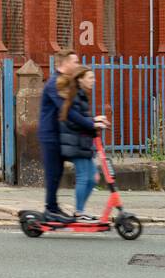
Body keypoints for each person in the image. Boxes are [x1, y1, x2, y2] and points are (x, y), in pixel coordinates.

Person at [57, 65, 110, 222]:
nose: (94, 81)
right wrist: (94, 121)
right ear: (80, 79)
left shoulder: (82, 95)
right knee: (83, 177)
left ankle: (80, 211)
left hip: (83, 143)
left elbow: (83, 119)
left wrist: (95, 120)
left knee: (93, 178)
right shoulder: (74, 96)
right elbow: (73, 121)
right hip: (74, 143)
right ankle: (79, 212)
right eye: (90, 78)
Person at [37, 50, 80, 219]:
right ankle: (50, 209)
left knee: (57, 172)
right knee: (53, 173)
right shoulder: (54, 83)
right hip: (50, 135)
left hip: (58, 134)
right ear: (65, 63)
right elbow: (66, 110)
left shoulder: (64, 82)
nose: (77, 65)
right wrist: (90, 123)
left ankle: (53, 207)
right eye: (74, 62)